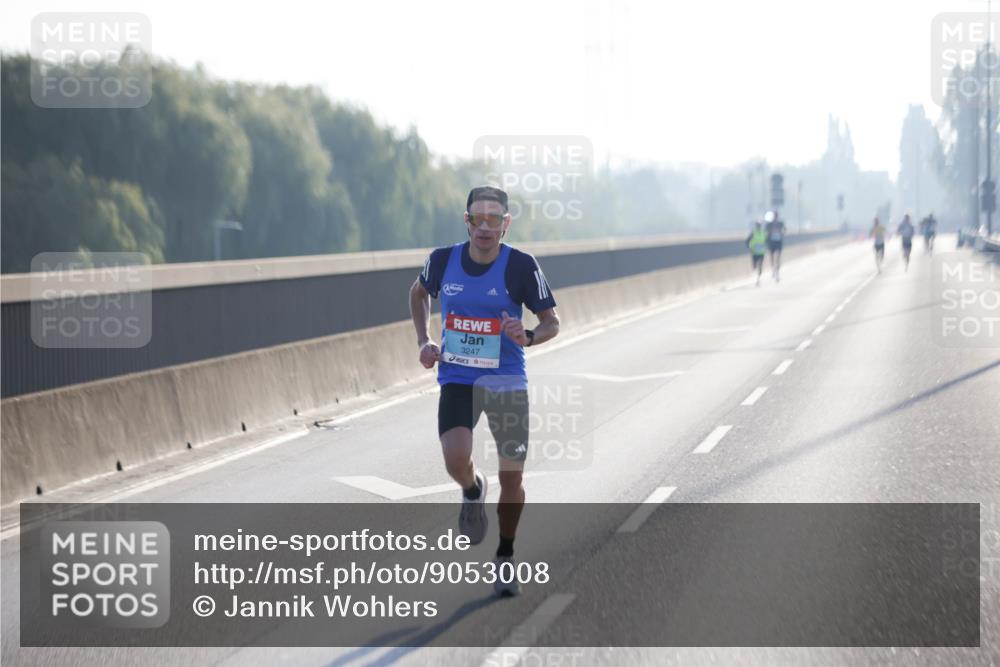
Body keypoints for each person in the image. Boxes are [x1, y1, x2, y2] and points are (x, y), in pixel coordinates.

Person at [408, 186, 560, 597]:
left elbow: (552, 322)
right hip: (458, 375)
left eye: (495, 219)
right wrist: (424, 340)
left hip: (506, 378)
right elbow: (418, 293)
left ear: (505, 224)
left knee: (513, 477)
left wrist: (527, 335)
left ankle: (506, 555)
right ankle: (472, 488)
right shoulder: (442, 261)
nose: (486, 227)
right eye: (479, 218)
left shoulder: (522, 267)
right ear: (467, 221)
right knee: (455, 458)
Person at [764, 210, 786, 282]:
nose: (775, 217)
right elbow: (765, 231)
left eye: (776, 215)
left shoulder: (780, 223)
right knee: (772, 256)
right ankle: (773, 268)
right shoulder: (769, 224)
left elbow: (784, 230)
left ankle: (777, 271)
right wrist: (770, 231)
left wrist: (781, 232)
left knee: (778, 257)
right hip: (771, 242)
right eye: (774, 215)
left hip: (778, 241)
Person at [746, 220, 768, 286]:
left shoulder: (764, 233)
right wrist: (750, 248)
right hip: (754, 252)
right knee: (754, 266)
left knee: (760, 265)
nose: (758, 226)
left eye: (759, 225)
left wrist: (765, 247)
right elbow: (747, 241)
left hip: (761, 252)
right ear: (756, 226)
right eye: (757, 225)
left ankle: (758, 279)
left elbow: (767, 241)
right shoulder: (753, 233)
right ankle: (755, 276)